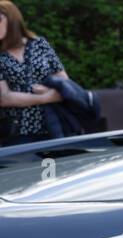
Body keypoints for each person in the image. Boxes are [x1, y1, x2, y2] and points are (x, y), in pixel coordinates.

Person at [0, 1, 69, 146]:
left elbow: (64, 81)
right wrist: (46, 97)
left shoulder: (40, 44)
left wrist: (50, 91)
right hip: (17, 133)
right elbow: (4, 97)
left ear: (12, 19)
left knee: (58, 160)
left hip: (54, 125)